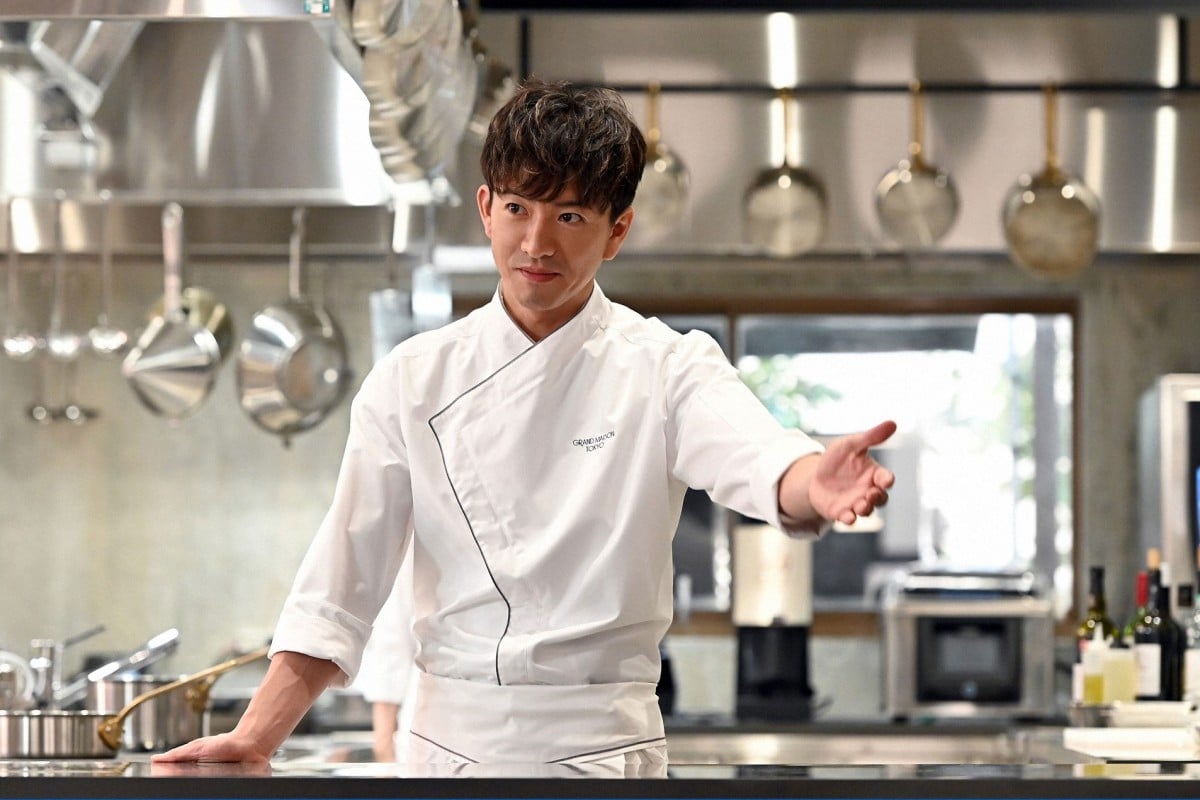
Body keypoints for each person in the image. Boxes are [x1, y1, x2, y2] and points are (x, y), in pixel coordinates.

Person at [154, 78, 896, 772]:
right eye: (518, 209)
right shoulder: (413, 380)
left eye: (570, 216)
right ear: (485, 208)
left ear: (617, 231)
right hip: (449, 752)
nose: (537, 243)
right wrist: (255, 739)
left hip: (603, 750)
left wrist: (814, 481)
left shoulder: (666, 367)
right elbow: (341, 583)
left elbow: (761, 457)